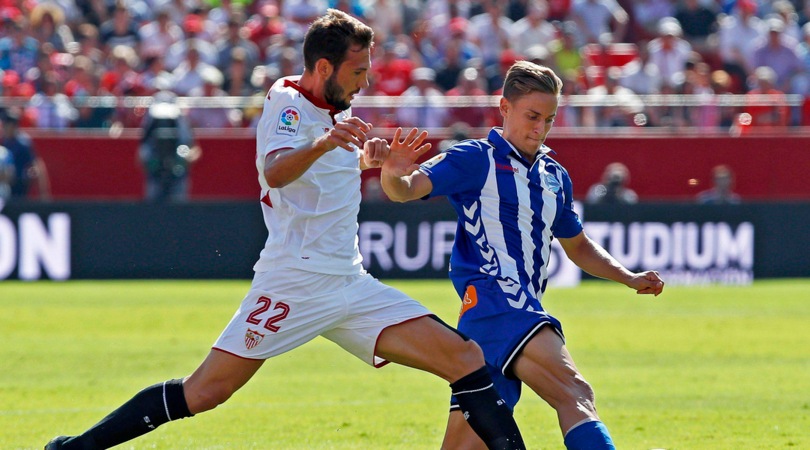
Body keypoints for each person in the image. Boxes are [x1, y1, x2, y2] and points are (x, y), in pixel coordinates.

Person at [45, 10, 525, 450]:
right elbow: (275, 171)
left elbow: (323, 174)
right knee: (206, 391)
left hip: (349, 282)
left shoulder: (335, 115)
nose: (365, 81)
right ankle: (78, 448)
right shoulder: (287, 100)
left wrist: (370, 161)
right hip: (293, 280)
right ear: (322, 67)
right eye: (357, 72)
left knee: (464, 358)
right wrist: (324, 143)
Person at [380, 60, 665, 449]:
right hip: (501, 302)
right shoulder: (475, 158)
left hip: (489, 320)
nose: (539, 128)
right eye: (532, 116)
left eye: (548, 119)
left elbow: (577, 245)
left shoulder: (554, 176)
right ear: (504, 108)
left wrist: (627, 276)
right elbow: (405, 190)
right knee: (574, 392)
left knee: (467, 444)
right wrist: (393, 173)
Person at [138, 89, 201, 202]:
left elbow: (193, 149)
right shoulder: (149, 124)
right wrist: (151, 164)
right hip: (155, 179)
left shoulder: (182, 123)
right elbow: (141, 155)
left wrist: (182, 161)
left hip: (178, 179)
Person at [1, 108, 50, 200]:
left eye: (7, 125)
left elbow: (36, 165)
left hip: (20, 186)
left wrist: (43, 193)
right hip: (6, 186)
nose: (5, 128)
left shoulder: (23, 143)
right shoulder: (5, 142)